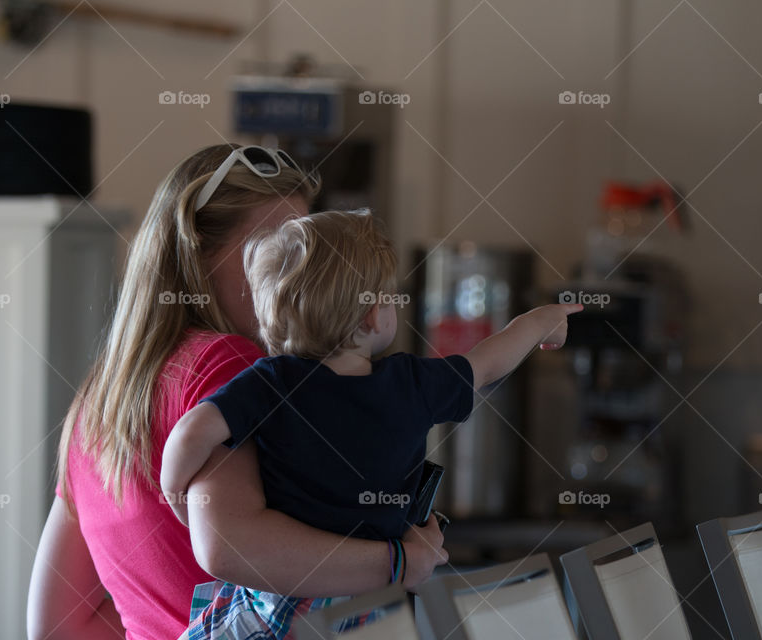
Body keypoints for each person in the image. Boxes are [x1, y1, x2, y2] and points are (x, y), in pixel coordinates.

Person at [27, 145, 448, 640]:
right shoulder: (237, 369)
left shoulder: (98, 400)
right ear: (196, 253)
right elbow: (239, 546)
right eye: (272, 245)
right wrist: (398, 561)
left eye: (305, 245)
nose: (299, 271)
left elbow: (57, 625)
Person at [161, 209, 583, 637]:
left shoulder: (270, 382)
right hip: (371, 603)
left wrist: (176, 495)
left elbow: (193, 432)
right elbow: (489, 365)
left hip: (284, 599)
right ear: (372, 316)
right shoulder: (411, 384)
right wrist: (540, 321)